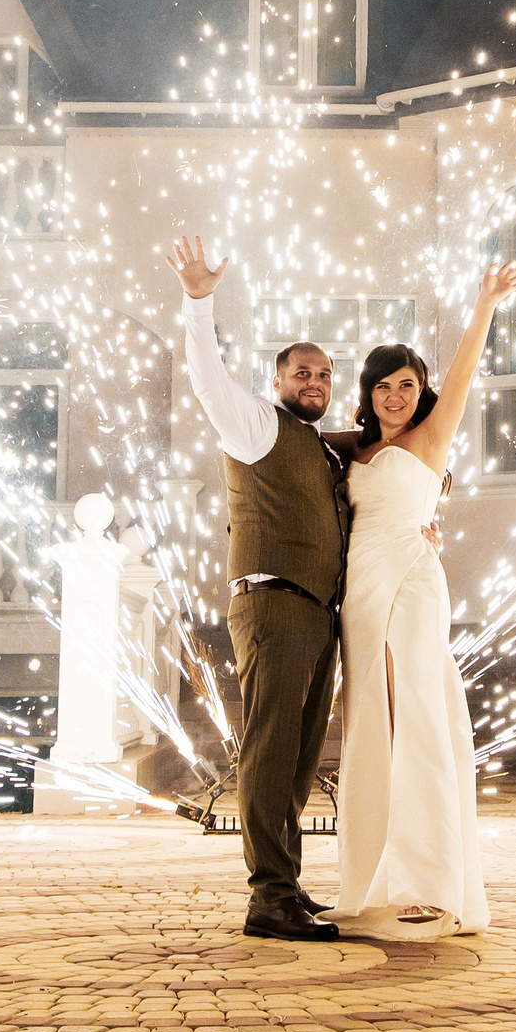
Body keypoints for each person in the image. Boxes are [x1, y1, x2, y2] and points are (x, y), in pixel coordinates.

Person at [326, 260, 516, 939]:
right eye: (382, 385)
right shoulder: (351, 450)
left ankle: (430, 882)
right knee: (370, 728)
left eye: (406, 385)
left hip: (411, 579)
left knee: (417, 716)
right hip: (360, 595)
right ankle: (371, 879)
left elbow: (464, 370)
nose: (394, 396)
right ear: (368, 392)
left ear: (421, 390)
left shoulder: (431, 437)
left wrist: (486, 301)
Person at [164, 235, 350, 942]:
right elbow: (207, 381)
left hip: (317, 613)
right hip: (273, 603)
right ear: (277, 381)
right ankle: (268, 896)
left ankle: (287, 885)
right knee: (271, 751)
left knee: (299, 758)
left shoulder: (319, 446)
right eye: (303, 372)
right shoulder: (256, 426)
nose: (315, 382)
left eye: (324, 374)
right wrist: (198, 302)